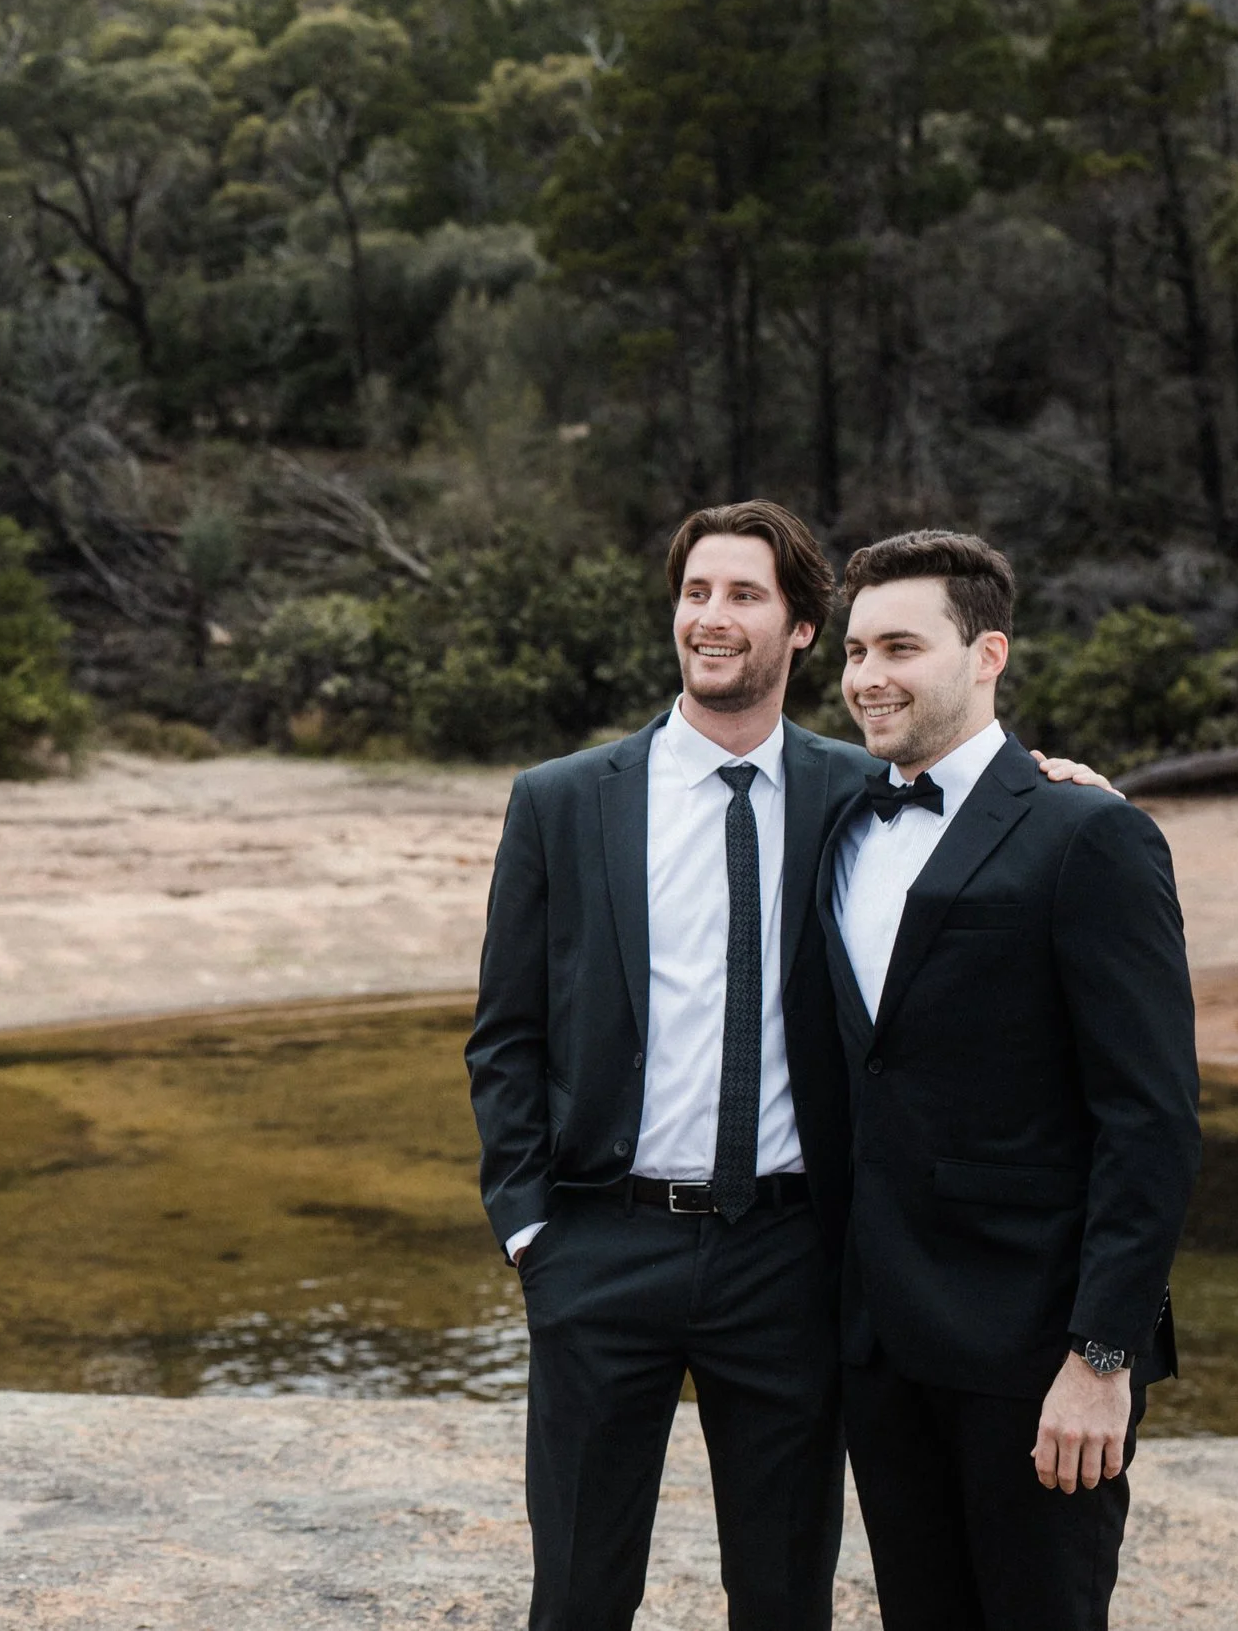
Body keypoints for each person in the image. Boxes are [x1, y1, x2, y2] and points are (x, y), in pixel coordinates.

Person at [467, 500, 1109, 1631]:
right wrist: (529, 1225)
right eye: (694, 592)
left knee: (781, 1589)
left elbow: (975, 798)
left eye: (744, 594)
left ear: (803, 628)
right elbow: (506, 1032)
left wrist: (1063, 788)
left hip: (788, 1259)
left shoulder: (855, 791)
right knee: (574, 1589)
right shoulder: (562, 800)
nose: (710, 618)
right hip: (599, 1243)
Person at [822, 531, 1198, 1631]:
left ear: (987, 652)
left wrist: (1103, 1354)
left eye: (901, 645)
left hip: (1033, 1353)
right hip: (883, 1343)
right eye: (852, 650)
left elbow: (1150, 1118)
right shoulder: (842, 815)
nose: (867, 676)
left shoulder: (1089, 832)